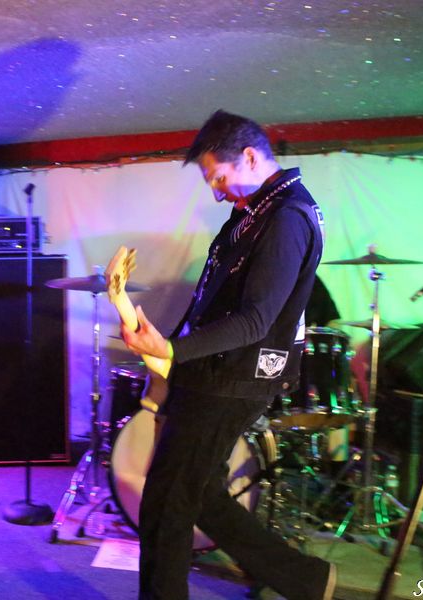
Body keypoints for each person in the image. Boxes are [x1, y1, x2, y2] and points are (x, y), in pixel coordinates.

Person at [120, 110, 336, 600]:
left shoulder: (286, 217)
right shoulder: (257, 211)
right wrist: (168, 353)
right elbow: (211, 300)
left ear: (251, 157)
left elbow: (255, 320)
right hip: (216, 374)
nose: (217, 192)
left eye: (218, 177)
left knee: (167, 503)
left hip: (233, 379)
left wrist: (172, 349)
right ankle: (304, 579)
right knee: (200, 494)